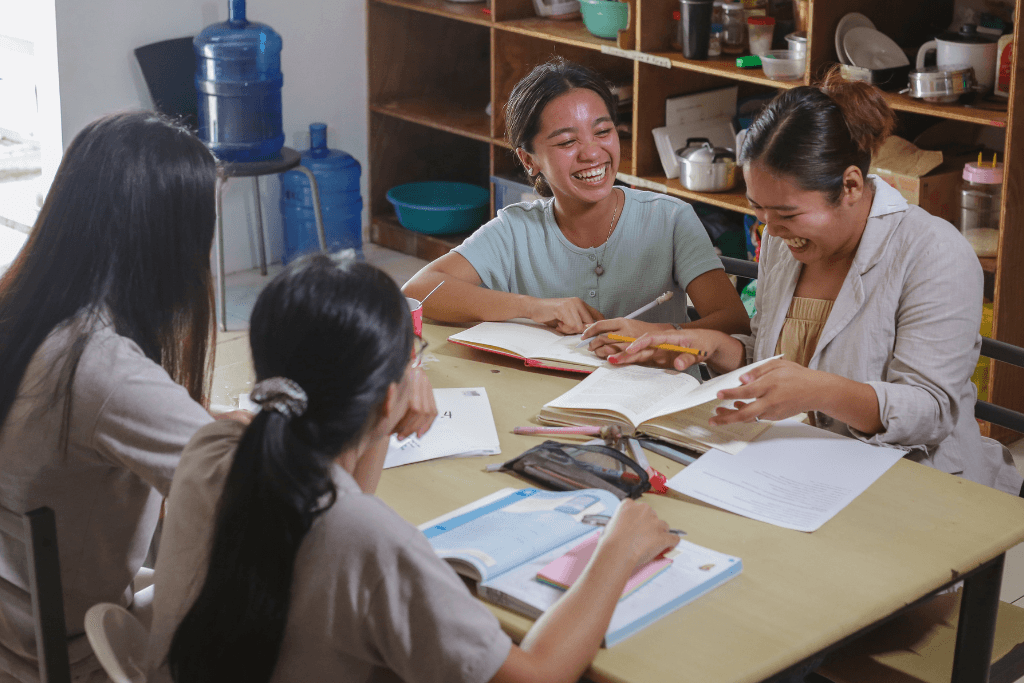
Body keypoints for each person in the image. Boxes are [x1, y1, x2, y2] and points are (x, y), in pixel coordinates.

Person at [146, 254, 679, 683]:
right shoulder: (372, 543)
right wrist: (618, 551)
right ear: (386, 397)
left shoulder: (212, 449)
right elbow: (536, 676)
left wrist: (383, 414)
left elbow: (346, 503)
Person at [593, 72, 1024, 496]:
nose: (770, 229)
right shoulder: (784, 241)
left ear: (850, 185)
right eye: (758, 208)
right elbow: (774, 356)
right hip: (803, 466)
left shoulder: (933, 253)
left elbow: (930, 413)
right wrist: (708, 345)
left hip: (917, 482)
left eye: (787, 213)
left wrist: (819, 391)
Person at [0, 111, 227, 681]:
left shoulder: (27, 310)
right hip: (70, 658)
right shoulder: (99, 366)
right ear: (167, 244)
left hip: (20, 629)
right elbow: (254, 496)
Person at [403, 57, 749, 343]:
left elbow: (734, 323)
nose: (592, 153)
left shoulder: (670, 219)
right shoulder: (516, 228)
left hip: (656, 396)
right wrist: (534, 307)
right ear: (529, 160)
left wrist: (656, 334)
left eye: (603, 132)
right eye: (568, 142)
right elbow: (418, 290)